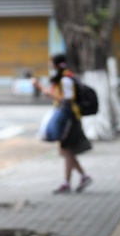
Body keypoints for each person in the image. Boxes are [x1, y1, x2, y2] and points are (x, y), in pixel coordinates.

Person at [34, 53, 92, 194]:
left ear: (56, 64)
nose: (49, 65)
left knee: (66, 149)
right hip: (65, 116)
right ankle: (80, 177)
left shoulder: (66, 79)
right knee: (65, 150)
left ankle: (71, 181)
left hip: (69, 117)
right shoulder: (63, 78)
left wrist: (43, 89)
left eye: (51, 62)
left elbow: (66, 100)